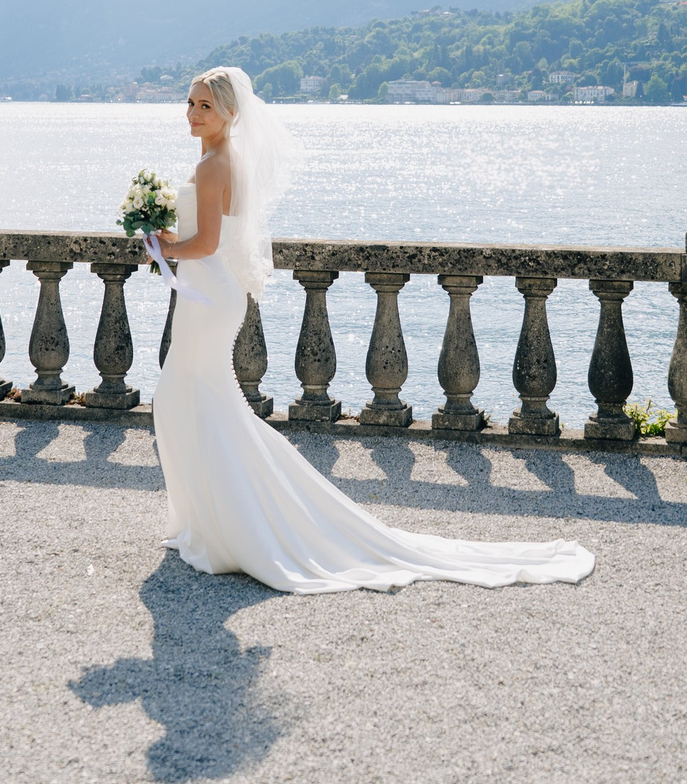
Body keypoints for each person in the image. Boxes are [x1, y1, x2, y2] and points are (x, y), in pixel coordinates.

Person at [148, 65, 593, 593]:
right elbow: (211, 233)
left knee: (190, 398)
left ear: (229, 112)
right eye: (190, 103)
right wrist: (165, 233)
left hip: (208, 294)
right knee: (193, 400)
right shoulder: (222, 160)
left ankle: (231, 526)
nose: (193, 113)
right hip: (211, 294)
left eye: (204, 105)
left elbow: (203, 245)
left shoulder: (214, 164)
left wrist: (163, 246)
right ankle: (210, 520)